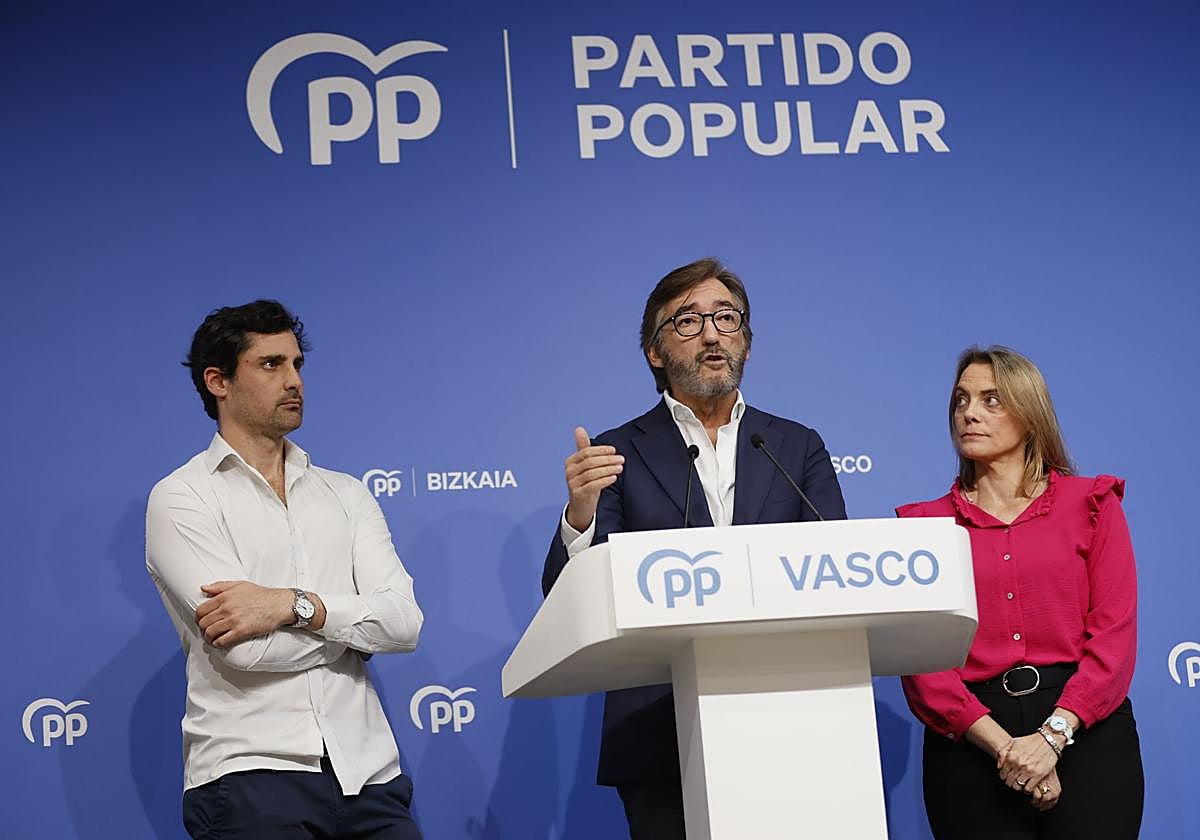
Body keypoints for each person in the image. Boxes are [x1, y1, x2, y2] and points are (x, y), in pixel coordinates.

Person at [542, 258, 847, 839]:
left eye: (726, 318)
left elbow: (834, 573)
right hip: (662, 729)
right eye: (687, 321)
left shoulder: (796, 446)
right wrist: (581, 516)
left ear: (747, 345)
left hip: (788, 719)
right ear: (655, 353)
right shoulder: (617, 451)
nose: (711, 333)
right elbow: (565, 599)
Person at [146, 300, 424, 839]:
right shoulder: (182, 498)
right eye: (271, 364)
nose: (294, 380)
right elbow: (247, 650)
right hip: (249, 779)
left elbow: (404, 623)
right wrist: (352, 629)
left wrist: (294, 606)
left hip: (369, 775)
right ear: (218, 381)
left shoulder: (346, 494)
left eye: (296, 364)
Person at [897, 346, 1143, 839]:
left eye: (991, 400)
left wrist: (1051, 740)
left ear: (1030, 415)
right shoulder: (922, 528)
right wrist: (1006, 748)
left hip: (1084, 731)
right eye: (961, 400)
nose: (969, 412)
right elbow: (924, 663)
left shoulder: (1092, 504)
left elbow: (1114, 637)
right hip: (970, 742)